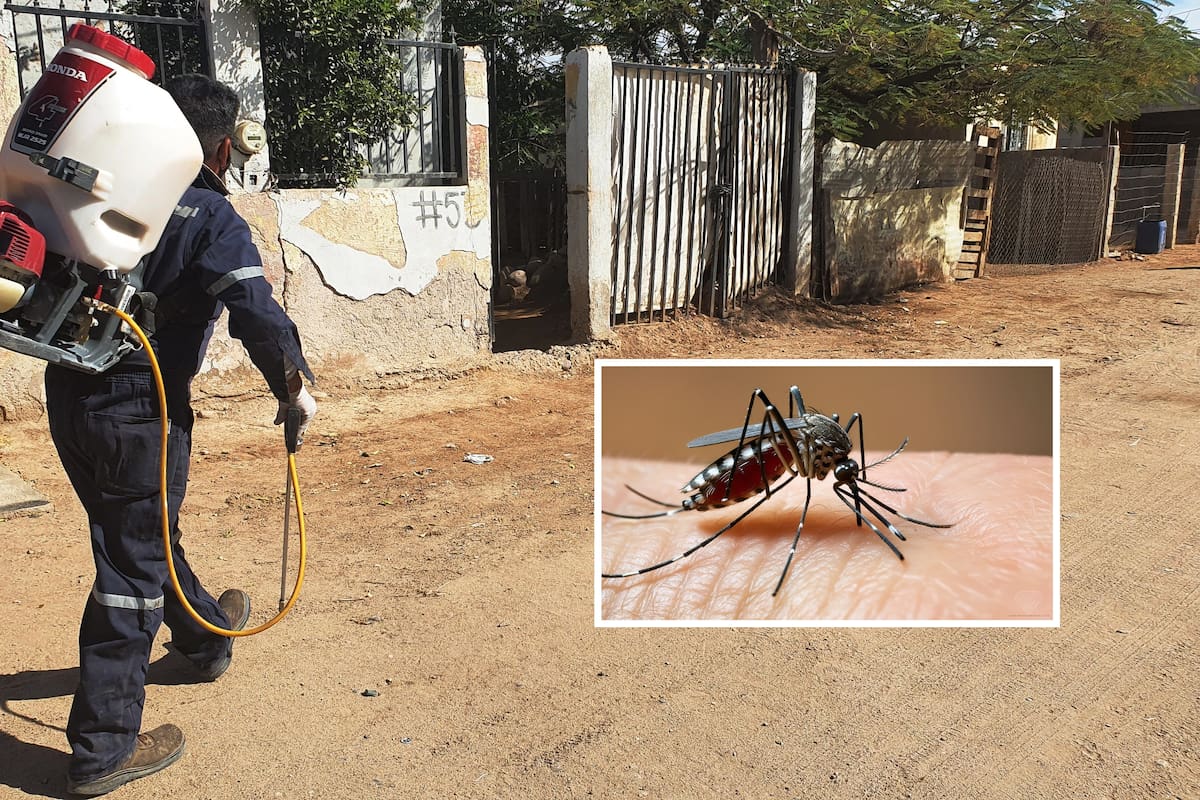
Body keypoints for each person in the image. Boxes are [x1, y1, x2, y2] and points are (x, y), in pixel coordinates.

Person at [44, 74, 316, 796]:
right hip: (141, 405)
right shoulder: (208, 214)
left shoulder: (101, 189)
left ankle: (203, 639)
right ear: (222, 146)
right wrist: (294, 385)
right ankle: (102, 750)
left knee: (142, 531)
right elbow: (253, 309)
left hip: (67, 391)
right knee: (132, 566)